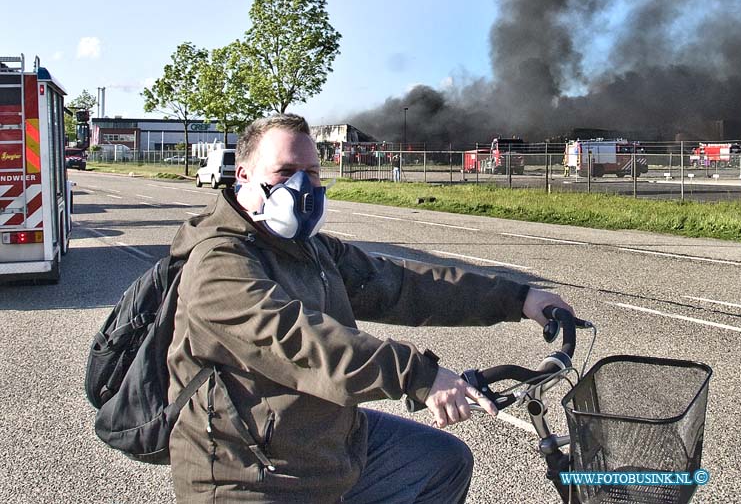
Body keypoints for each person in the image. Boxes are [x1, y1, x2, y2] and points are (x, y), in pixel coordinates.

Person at [167, 114, 575, 503]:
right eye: (285, 171)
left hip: (325, 440)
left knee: (442, 462)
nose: (302, 185)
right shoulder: (218, 260)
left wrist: (517, 299)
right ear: (243, 176)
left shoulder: (310, 248)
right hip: (250, 470)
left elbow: (398, 285)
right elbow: (297, 339)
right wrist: (417, 375)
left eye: (311, 172)